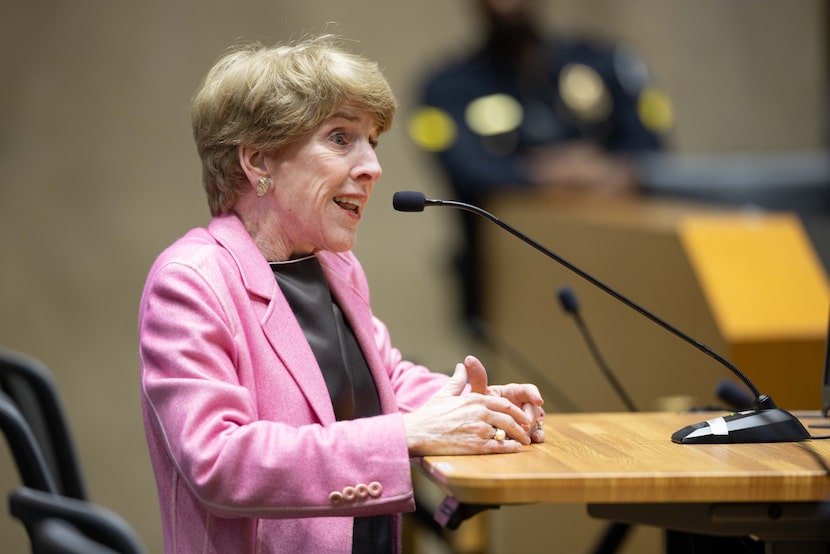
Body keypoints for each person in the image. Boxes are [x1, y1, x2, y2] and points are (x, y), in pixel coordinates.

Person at [137, 36, 545, 554]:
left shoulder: (333, 265)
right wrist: (411, 434)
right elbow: (219, 460)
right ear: (258, 160)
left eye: (371, 141)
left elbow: (385, 377)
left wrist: (474, 406)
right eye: (339, 138)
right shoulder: (193, 280)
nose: (372, 166)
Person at [410, 0, 670, 325]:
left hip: (622, 274)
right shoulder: (446, 86)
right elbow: (467, 170)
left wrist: (603, 170)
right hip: (504, 285)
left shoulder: (605, 62)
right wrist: (545, 175)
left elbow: (651, 147)